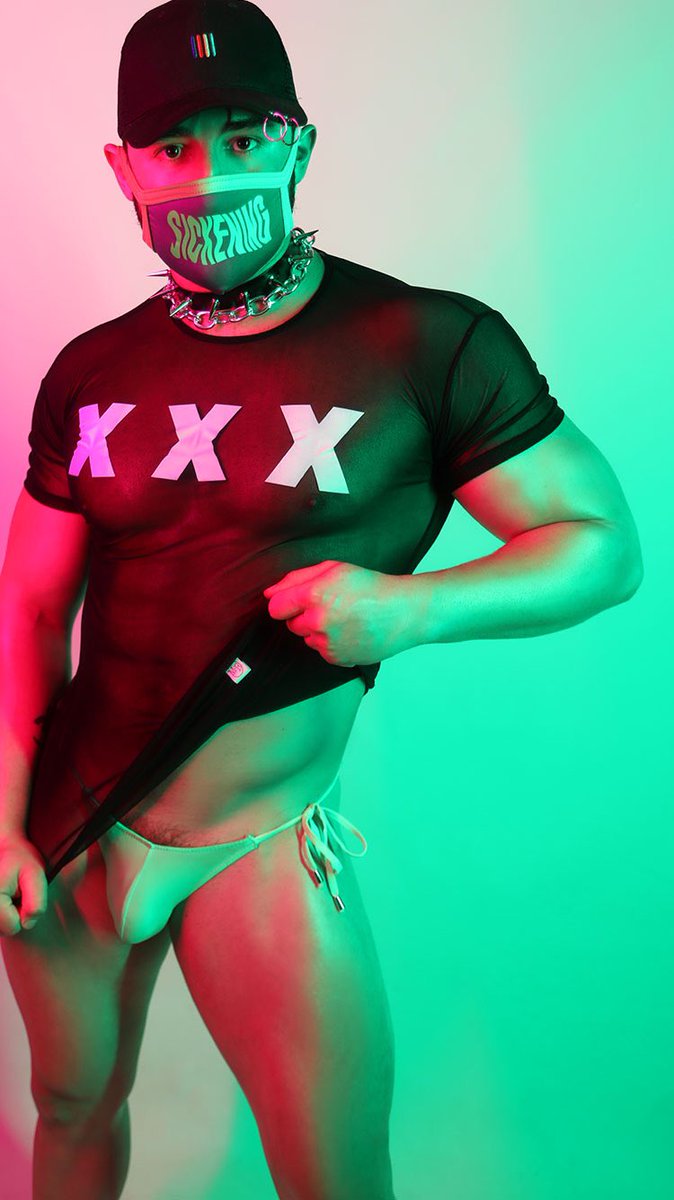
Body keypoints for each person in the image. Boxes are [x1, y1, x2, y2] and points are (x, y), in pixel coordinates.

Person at [0, 2, 644, 1198]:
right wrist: (0, 812)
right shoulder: (90, 368)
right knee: (70, 1105)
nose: (211, 174)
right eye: (174, 146)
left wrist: (409, 609)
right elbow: (33, 611)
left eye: (245, 137)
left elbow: (600, 547)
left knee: (332, 1172)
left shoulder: (424, 343)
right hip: (73, 822)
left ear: (297, 142)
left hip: (255, 837)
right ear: (124, 169)